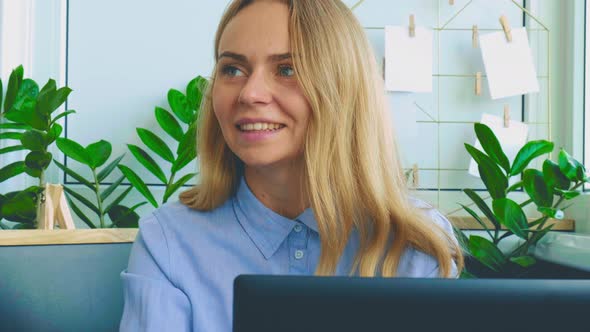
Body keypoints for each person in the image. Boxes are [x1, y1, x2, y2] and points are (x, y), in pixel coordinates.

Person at [119, 0, 464, 331]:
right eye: (232, 69)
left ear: (343, 89)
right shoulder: (170, 240)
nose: (250, 93)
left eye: (286, 69)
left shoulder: (415, 244)